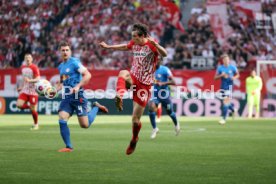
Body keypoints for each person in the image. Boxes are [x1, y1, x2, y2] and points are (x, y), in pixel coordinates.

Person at [99, 23, 167, 155]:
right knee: (123, 73)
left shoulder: (151, 45)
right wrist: (109, 47)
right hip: (134, 77)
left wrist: (157, 45)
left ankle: (134, 139)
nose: (132, 38)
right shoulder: (134, 43)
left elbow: (164, 54)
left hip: (145, 85)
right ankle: (120, 95)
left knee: (135, 120)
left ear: (142, 36)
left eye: (134, 36)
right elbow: (125, 46)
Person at [57, 41, 108, 152]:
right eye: (63, 50)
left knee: (84, 125)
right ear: (60, 52)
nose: (65, 52)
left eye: (67, 50)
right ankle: (68, 146)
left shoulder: (75, 63)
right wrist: (54, 90)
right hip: (67, 97)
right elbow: (62, 82)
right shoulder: (60, 66)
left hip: (77, 95)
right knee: (62, 118)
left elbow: (88, 74)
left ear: (70, 51)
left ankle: (96, 107)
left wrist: (78, 86)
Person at [148, 56, 180, 139]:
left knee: (170, 112)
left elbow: (173, 82)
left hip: (165, 95)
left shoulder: (165, 69)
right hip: (155, 94)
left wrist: (163, 83)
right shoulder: (150, 70)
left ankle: (176, 124)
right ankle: (155, 128)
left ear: (161, 61)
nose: (156, 61)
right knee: (151, 108)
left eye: (158, 59)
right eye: (155, 59)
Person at [16, 53, 40, 130]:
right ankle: (31, 107)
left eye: (29, 57)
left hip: (33, 91)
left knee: (33, 111)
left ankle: (36, 124)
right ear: (24, 59)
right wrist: (21, 87)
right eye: (26, 57)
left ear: (32, 59)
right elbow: (24, 79)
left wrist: (30, 80)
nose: (28, 59)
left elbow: (38, 79)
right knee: (19, 105)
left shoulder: (34, 67)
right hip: (25, 90)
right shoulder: (22, 67)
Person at [214, 54, 239, 124]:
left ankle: (223, 119)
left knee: (225, 102)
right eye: (225, 60)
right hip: (222, 87)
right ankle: (233, 109)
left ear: (229, 60)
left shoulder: (233, 67)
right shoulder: (220, 68)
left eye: (227, 60)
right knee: (226, 102)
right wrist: (221, 75)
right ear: (223, 61)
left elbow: (237, 74)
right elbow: (215, 78)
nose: (226, 61)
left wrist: (234, 78)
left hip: (229, 87)